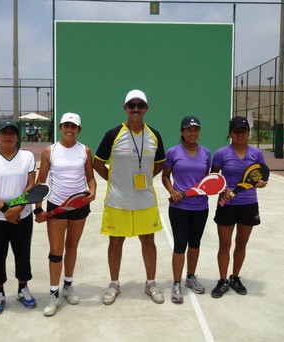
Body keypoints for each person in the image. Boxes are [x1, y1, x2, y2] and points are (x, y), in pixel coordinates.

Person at [93, 89, 166, 305]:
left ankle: (150, 283)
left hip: (145, 200)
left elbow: (160, 162)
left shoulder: (154, 135)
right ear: (125, 108)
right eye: (131, 105)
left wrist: (147, 179)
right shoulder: (113, 134)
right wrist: (114, 181)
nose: (136, 109)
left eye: (140, 105)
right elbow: (98, 163)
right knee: (115, 242)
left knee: (149, 241)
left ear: (146, 109)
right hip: (118, 200)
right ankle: (114, 284)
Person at [34, 112, 97, 317]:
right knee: (56, 251)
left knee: (72, 247)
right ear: (61, 128)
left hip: (79, 206)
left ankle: (68, 285)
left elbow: (91, 179)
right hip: (56, 206)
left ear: (78, 130)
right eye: (66, 126)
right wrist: (38, 208)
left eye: (74, 126)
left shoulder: (85, 151)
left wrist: (93, 192)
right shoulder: (49, 151)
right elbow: (41, 181)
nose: (69, 130)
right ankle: (54, 293)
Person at [0, 120, 38, 315]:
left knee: (22, 253)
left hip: (23, 215)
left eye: (12, 132)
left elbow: (31, 184)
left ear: (17, 136)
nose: (8, 136)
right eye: (4, 132)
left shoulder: (27, 156)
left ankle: (23, 288)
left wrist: (19, 207)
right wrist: (6, 210)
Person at [210, 116, 267, 298]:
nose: (240, 134)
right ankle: (222, 280)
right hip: (227, 205)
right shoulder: (221, 153)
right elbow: (214, 177)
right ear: (230, 133)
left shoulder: (256, 154)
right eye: (236, 131)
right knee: (224, 245)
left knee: (241, 244)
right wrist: (223, 189)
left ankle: (235, 278)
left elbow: (261, 176)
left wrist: (261, 183)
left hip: (248, 205)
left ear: (249, 133)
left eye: (243, 131)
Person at [161, 116, 211, 304]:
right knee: (180, 246)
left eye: (196, 129)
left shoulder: (206, 153)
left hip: (201, 207)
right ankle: (176, 283)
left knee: (195, 244)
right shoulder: (173, 152)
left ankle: (190, 277)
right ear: (182, 132)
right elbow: (165, 176)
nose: (193, 133)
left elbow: (207, 180)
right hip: (179, 207)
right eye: (189, 130)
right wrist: (172, 191)